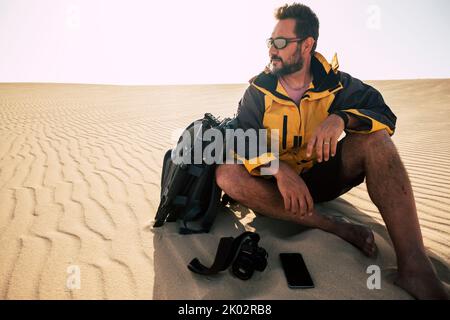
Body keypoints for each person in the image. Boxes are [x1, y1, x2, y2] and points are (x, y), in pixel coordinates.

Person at [215, 3, 448, 300]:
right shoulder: (258, 92)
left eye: (281, 42)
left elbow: (384, 114)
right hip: (276, 188)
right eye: (270, 41)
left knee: (377, 141)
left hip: (322, 176)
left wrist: (342, 118)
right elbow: (242, 137)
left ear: (307, 45)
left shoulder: (336, 84)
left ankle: (415, 267)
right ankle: (334, 227)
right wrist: (278, 169)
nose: (272, 50)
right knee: (227, 175)